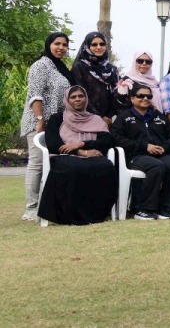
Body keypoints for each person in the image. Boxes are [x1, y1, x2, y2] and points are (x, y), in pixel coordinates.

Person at [36, 86, 117, 225]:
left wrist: (82, 144)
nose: (77, 99)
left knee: (106, 166)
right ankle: (69, 215)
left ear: (86, 98)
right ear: (67, 100)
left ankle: (97, 213)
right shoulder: (57, 118)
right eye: (73, 97)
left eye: (81, 96)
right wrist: (80, 152)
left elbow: (107, 141)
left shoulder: (95, 119)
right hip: (64, 156)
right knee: (75, 167)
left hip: (92, 156)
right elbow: (54, 144)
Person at [110, 82, 170, 221]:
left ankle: (165, 207)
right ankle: (144, 209)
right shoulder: (124, 117)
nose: (145, 98)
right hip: (135, 156)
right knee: (156, 166)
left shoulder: (158, 116)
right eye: (141, 96)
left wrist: (165, 147)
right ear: (132, 98)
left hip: (160, 155)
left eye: (149, 96)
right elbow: (116, 138)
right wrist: (144, 146)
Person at [20, 32, 73, 221]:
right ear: (49, 45)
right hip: (38, 123)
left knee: (51, 163)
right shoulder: (40, 65)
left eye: (64, 45)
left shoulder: (60, 68)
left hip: (55, 125)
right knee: (37, 164)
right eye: (57, 43)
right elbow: (35, 95)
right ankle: (31, 209)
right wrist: (40, 120)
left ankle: (47, 206)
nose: (61, 48)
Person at [70, 31, 120, 123]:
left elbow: (117, 95)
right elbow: (79, 94)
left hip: (110, 120)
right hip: (86, 118)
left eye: (102, 44)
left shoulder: (112, 70)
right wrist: (98, 117)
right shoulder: (80, 67)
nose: (99, 47)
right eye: (94, 44)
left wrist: (109, 116)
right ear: (87, 46)